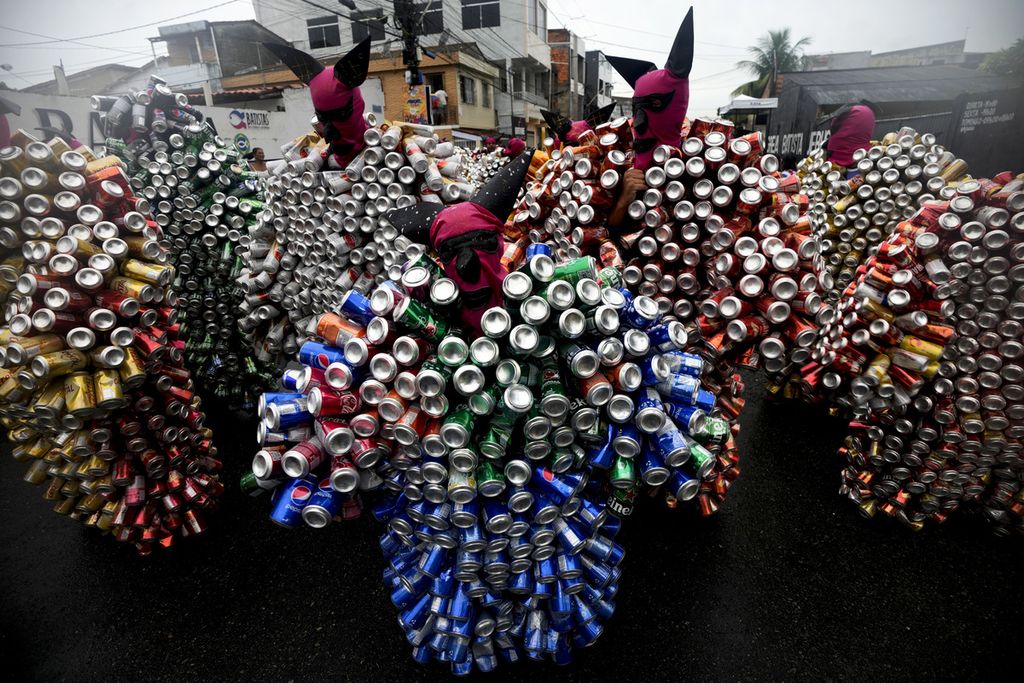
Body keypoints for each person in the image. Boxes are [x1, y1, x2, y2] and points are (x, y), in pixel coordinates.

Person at [825, 99, 880, 174]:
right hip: (859, 154)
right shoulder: (871, 114)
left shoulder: (853, 108)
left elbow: (834, 126)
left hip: (837, 154)